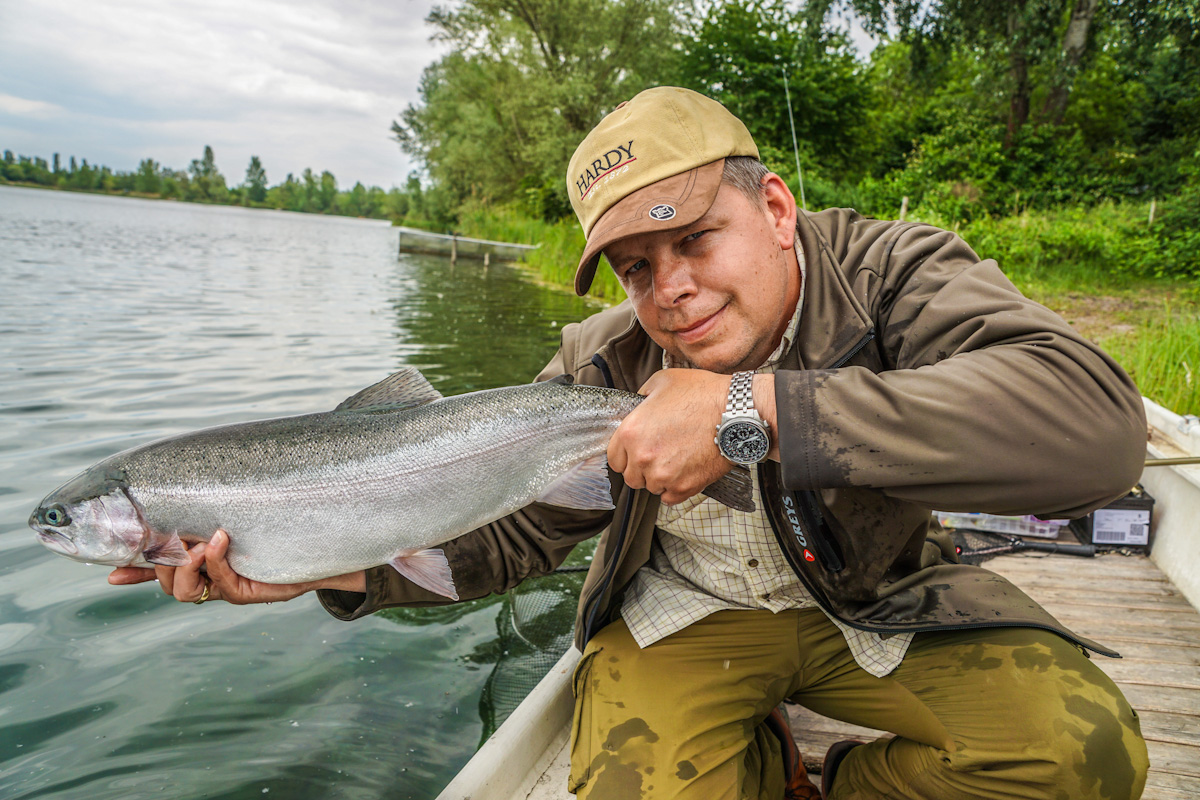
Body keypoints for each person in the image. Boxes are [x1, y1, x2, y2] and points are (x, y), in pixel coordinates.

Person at [111, 87, 1150, 800]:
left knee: (1084, 752)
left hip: (871, 599)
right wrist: (326, 565)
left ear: (776, 208)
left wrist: (756, 411)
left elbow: (1091, 424)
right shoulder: (597, 364)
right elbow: (509, 535)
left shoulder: (896, 274)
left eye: (695, 238)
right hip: (679, 616)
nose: (673, 289)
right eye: (636, 267)